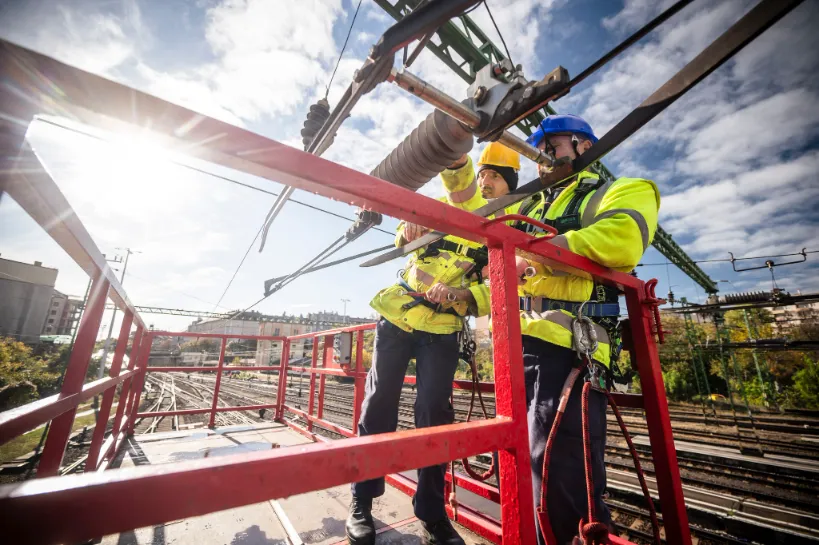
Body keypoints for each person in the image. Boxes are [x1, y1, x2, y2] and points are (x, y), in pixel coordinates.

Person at [448, 114, 660, 544]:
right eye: (537, 153)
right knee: (522, 457)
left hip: (570, 343)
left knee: (558, 465)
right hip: (517, 342)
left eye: (552, 147)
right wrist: (453, 157)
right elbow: (482, 224)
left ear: (584, 146)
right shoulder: (529, 206)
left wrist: (538, 254)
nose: (542, 160)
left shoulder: (620, 190)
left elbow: (621, 239)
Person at [345, 143, 521, 545]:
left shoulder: (506, 228)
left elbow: (500, 286)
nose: (485, 182)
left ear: (509, 185)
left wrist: (461, 296)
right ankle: (362, 502)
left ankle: (431, 511)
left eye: (494, 177)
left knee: (434, 415)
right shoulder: (451, 205)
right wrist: (406, 226)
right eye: (483, 175)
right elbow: (408, 232)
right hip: (398, 314)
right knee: (378, 404)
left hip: (442, 329)